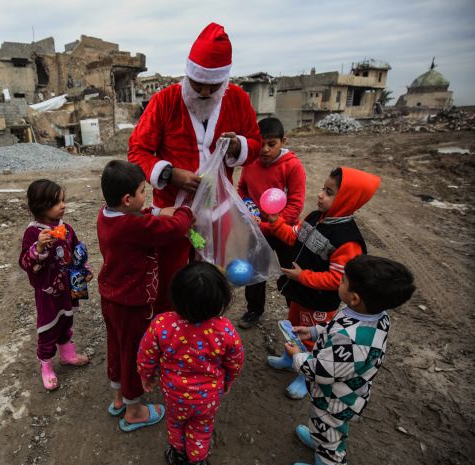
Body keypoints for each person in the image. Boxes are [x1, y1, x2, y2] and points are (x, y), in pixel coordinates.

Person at [128, 22, 262, 315]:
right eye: (196, 83)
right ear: (187, 74)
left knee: (211, 275)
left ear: (224, 81)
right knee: (171, 276)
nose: (202, 91)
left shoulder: (237, 99)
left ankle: (206, 329)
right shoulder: (165, 101)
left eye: (212, 86)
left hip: (217, 212)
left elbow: (256, 143)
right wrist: (169, 173)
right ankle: (167, 328)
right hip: (172, 213)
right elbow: (137, 150)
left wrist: (239, 146)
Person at [284, 255, 415, 465]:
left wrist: (297, 356)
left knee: (331, 436)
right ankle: (318, 438)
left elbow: (320, 371)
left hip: (336, 398)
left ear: (354, 298)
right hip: (344, 390)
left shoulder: (350, 341)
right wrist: (313, 332)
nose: (339, 283)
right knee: (321, 425)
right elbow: (336, 326)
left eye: (342, 280)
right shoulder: (373, 316)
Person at [261, 167, 381, 399]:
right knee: (293, 324)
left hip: (319, 302)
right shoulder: (316, 217)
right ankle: (290, 358)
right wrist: (276, 223)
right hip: (302, 293)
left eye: (329, 192)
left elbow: (337, 279)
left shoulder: (347, 241)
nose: (320, 195)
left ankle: (306, 375)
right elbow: (294, 236)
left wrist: (301, 276)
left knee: (312, 339)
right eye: (322, 189)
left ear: (346, 199)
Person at [97, 160, 195, 432]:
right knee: (133, 354)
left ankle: (119, 397)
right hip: (132, 304)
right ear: (128, 199)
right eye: (143, 191)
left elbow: (141, 216)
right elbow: (172, 229)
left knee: (116, 348)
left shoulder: (106, 215)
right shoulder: (135, 227)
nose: (147, 196)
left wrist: (156, 210)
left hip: (111, 298)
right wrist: (185, 212)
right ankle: (134, 410)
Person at [137, 261, 244, 465]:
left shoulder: (162, 324)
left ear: (175, 296)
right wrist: (229, 380)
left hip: (175, 394)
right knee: (201, 430)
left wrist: (146, 375)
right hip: (208, 397)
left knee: (175, 424)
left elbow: (146, 354)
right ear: (221, 300)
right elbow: (235, 360)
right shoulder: (225, 329)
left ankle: (177, 457)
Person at [18, 179, 90, 390]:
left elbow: (76, 250)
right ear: (40, 206)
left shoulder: (66, 228)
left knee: (67, 320)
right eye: (56, 202)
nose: (63, 205)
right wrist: (38, 247)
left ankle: (68, 355)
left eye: (63, 200)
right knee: (48, 327)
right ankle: (46, 365)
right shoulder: (33, 233)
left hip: (69, 286)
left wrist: (84, 271)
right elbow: (25, 263)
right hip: (48, 292)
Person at [237, 116, 306, 329]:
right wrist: (248, 206)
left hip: (285, 232)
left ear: (284, 141)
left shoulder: (293, 166)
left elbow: (295, 204)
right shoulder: (250, 164)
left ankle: (295, 312)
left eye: (272, 144)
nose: (265, 149)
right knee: (255, 272)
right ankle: (254, 310)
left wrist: (271, 225)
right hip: (256, 231)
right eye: (262, 144)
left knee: (289, 272)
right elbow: (242, 188)